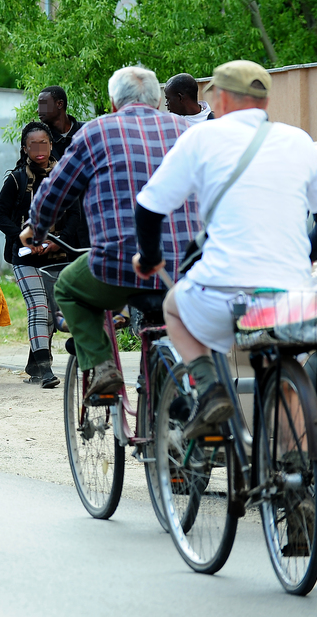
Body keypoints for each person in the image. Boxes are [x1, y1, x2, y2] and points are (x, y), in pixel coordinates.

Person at [134, 60, 317, 439]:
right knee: (284, 371)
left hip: (223, 291)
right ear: (265, 99)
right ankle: (294, 481)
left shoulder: (200, 139)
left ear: (218, 96)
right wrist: (303, 253)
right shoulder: (298, 141)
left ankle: (211, 390)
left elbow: (149, 207)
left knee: (174, 307)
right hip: (290, 294)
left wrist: (150, 258)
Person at [20, 66, 201, 399]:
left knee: (69, 288)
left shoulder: (97, 131)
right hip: (188, 265)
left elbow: (56, 190)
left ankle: (102, 366)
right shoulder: (187, 130)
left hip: (123, 264)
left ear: (114, 103)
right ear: (159, 100)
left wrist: (35, 227)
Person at [0, 122, 86, 389]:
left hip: (57, 255)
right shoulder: (16, 179)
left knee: (53, 313)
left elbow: (74, 216)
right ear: (24, 149)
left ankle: (34, 363)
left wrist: (58, 244)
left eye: (44, 143)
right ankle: (45, 370)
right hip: (25, 256)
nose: (39, 149)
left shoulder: (64, 177)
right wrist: (24, 237)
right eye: (33, 145)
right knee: (39, 307)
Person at [37, 85, 84, 161]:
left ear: (59, 104)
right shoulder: (41, 139)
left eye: (43, 104)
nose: (38, 110)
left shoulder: (85, 131)